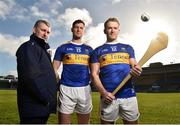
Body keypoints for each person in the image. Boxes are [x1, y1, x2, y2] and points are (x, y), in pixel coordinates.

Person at [90, 17, 142, 124]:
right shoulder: (97, 51)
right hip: (108, 96)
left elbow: (134, 65)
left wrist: (137, 70)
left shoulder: (128, 48)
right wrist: (104, 93)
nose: (112, 30)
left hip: (129, 96)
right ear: (105, 30)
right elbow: (94, 74)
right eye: (109, 28)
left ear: (119, 30)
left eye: (115, 28)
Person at [16, 20, 57, 124]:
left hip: (41, 107)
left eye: (48, 32)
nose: (45, 34)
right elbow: (31, 77)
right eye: (43, 30)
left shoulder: (42, 50)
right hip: (33, 107)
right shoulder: (29, 47)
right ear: (34, 30)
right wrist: (46, 99)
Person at [53, 19, 93, 124]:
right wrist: (58, 80)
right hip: (66, 89)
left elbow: (94, 70)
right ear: (72, 29)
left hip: (84, 89)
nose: (78, 30)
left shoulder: (89, 49)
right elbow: (54, 68)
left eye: (81, 28)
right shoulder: (62, 47)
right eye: (76, 27)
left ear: (83, 30)